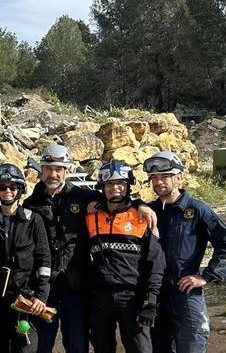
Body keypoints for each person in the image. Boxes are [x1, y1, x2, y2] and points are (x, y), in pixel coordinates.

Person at [19, 144, 158, 353]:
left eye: (59, 168)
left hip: (78, 285)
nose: (53, 173)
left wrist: (140, 204)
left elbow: (117, 197)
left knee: (78, 345)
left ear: (67, 170)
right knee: (42, 344)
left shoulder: (83, 197)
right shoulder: (30, 204)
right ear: (41, 170)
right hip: (46, 285)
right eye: (48, 168)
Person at [144, 151, 226, 353]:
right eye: (154, 177)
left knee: (192, 346)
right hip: (154, 296)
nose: (159, 181)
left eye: (165, 176)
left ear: (179, 176)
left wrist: (206, 276)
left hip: (185, 295)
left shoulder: (197, 210)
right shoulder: (148, 212)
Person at [85, 160, 164, 353]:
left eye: (121, 183)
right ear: (102, 187)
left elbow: (155, 262)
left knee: (140, 348)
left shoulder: (141, 216)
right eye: (110, 184)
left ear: (128, 185)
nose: (115, 188)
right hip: (99, 297)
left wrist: (150, 299)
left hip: (131, 296)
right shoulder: (90, 216)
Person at [0, 164, 51, 353]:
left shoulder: (33, 221)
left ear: (20, 190)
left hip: (24, 298)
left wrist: (41, 296)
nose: (7, 191)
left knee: (25, 348)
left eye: (12, 187)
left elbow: (44, 260)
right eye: (2, 187)